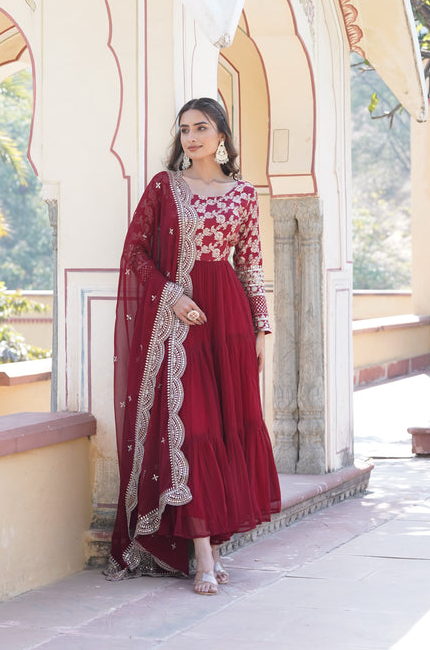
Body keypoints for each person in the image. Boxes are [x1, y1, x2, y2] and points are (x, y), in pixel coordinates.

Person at [105, 97, 281, 595]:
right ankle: (202, 553)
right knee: (192, 429)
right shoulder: (165, 188)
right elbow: (134, 251)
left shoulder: (244, 195)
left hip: (228, 317)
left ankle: (214, 545)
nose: (191, 137)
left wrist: (261, 330)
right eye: (184, 129)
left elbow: (250, 263)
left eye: (201, 127)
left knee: (226, 426)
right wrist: (173, 296)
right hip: (178, 323)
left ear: (221, 134)